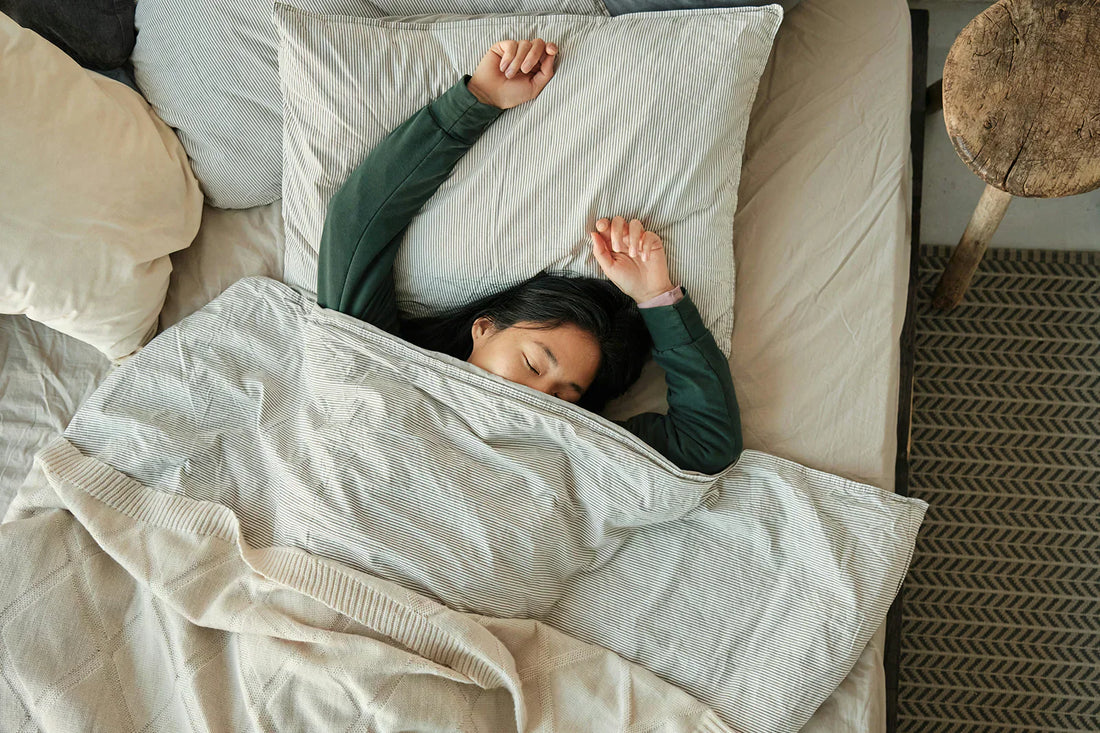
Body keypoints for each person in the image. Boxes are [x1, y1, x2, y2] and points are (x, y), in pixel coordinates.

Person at [317, 38, 742, 474]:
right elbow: (358, 223)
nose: (537, 398)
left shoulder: (569, 445)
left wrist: (657, 297)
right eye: (533, 364)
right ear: (483, 329)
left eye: (564, 397)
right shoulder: (389, 364)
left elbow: (706, 444)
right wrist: (476, 101)